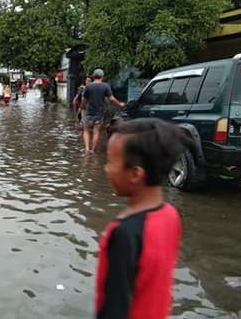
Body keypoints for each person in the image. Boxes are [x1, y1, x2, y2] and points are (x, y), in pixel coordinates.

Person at [96, 118, 192, 319]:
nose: (106, 169)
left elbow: (115, 308)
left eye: (111, 162)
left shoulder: (124, 233)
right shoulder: (170, 215)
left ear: (135, 174)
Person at [81, 69, 124, 152]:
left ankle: (87, 149)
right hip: (99, 113)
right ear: (102, 77)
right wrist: (119, 104)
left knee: (86, 130)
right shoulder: (105, 86)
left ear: (94, 76)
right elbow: (111, 99)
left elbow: (84, 100)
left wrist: (82, 108)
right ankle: (93, 150)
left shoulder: (88, 87)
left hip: (89, 112)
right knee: (96, 132)